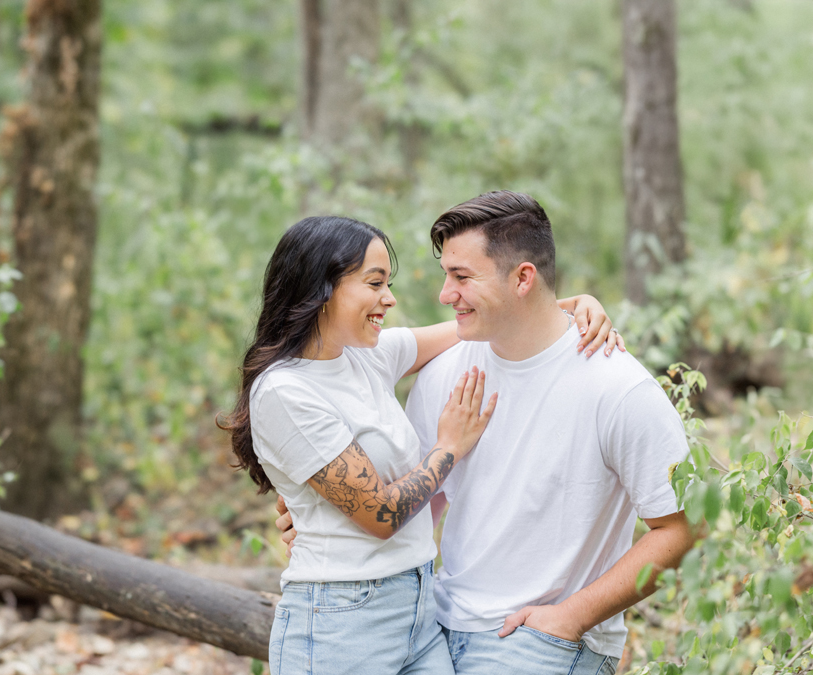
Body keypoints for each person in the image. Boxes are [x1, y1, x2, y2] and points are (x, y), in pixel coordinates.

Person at [220, 215, 623, 675]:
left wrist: (568, 305)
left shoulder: (366, 356)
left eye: (387, 283)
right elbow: (380, 515)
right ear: (321, 289)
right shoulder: (285, 391)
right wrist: (448, 448)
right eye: (374, 283)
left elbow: (480, 322)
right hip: (342, 622)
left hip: (418, 612)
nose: (388, 299)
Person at [403, 191, 695, 674]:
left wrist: (572, 618)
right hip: (437, 626)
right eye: (445, 275)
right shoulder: (443, 373)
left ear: (523, 278)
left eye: (461, 276)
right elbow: (417, 505)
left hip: (545, 642)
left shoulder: (617, 387)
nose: (444, 294)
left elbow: (682, 529)